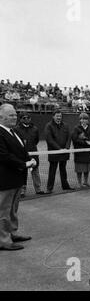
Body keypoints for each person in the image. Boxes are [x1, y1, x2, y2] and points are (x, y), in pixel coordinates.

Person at [0, 104, 35, 251]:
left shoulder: (14, 132)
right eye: (10, 115)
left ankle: (12, 233)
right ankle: (3, 240)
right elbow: (4, 156)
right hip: (5, 180)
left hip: (16, 178)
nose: (14, 117)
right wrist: (25, 163)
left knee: (13, 210)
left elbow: (22, 151)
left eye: (15, 115)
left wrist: (31, 160)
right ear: (1, 117)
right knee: (3, 211)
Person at [14, 112, 47, 196]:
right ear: (20, 119)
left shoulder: (35, 129)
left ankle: (38, 189)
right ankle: (22, 191)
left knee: (35, 172)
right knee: (22, 173)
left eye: (28, 117)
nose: (26, 119)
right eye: (24, 118)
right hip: (21, 155)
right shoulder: (16, 129)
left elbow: (36, 140)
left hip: (33, 154)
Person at [44, 110, 74, 193]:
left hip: (64, 152)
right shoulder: (49, 126)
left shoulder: (66, 125)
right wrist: (59, 149)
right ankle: (49, 188)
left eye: (60, 116)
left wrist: (67, 147)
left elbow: (69, 137)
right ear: (53, 116)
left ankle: (65, 186)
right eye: (57, 116)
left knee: (63, 170)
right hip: (54, 153)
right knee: (52, 171)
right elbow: (49, 139)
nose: (59, 118)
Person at [72, 113, 90, 188]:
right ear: (80, 120)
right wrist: (85, 142)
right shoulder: (76, 128)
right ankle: (79, 183)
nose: (83, 120)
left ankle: (85, 181)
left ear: (87, 120)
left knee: (87, 168)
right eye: (81, 119)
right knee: (79, 168)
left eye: (85, 119)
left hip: (88, 151)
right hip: (79, 152)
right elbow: (75, 139)